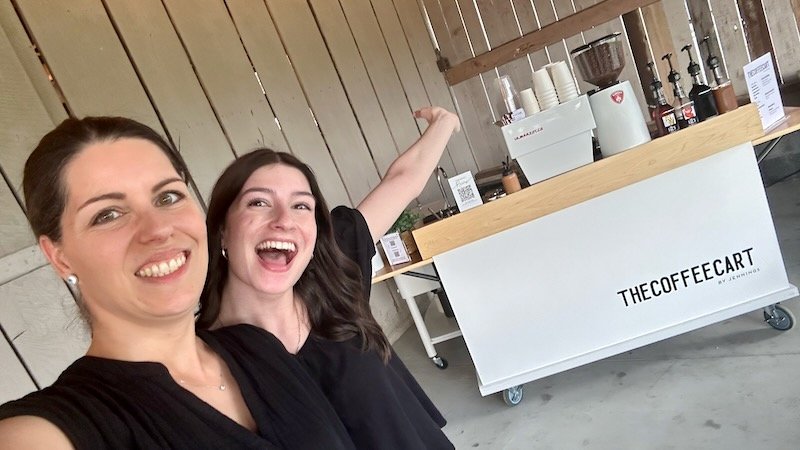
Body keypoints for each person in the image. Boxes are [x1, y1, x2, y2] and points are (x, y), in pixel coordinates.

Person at [0, 117, 356, 449]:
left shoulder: (257, 346)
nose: (158, 229)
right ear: (59, 257)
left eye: (167, 197)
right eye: (107, 214)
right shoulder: (57, 427)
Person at [197, 106, 460, 449]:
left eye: (301, 206)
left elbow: (404, 180)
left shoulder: (331, 275)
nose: (284, 220)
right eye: (258, 203)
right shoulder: (200, 361)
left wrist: (443, 123)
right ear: (222, 230)